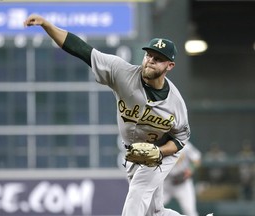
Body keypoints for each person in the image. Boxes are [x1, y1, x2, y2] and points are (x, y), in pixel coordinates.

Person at [23, 14, 191, 216]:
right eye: (149, 56)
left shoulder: (175, 103)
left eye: (158, 59)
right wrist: (47, 25)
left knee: (137, 193)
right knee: (154, 213)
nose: (150, 61)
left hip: (160, 153)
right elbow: (82, 50)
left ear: (169, 66)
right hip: (134, 154)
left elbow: (181, 138)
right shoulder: (122, 73)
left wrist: (160, 152)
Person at [164, 140, 202, 216]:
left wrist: (191, 169)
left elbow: (197, 159)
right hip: (165, 183)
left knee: (190, 212)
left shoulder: (185, 145)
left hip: (183, 183)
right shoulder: (161, 144)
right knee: (152, 208)